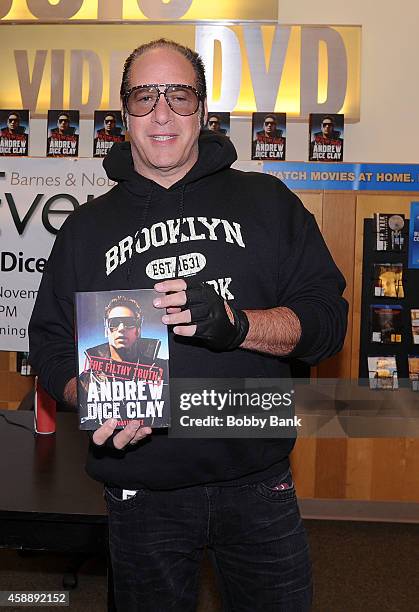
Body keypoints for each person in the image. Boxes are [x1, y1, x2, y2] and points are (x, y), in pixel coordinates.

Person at [29, 38, 348, 611]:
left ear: (202, 109)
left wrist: (237, 323)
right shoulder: (86, 228)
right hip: (140, 489)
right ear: (123, 115)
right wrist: (89, 394)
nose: (161, 113)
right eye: (144, 97)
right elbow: (49, 341)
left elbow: (328, 322)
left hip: (259, 481)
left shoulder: (268, 202)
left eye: (178, 95)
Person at [78, 294, 168, 429]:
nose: (121, 328)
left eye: (129, 322)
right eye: (114, 323)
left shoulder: (164, 370)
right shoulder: (87, 379)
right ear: (106, 329)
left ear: (138, 328)